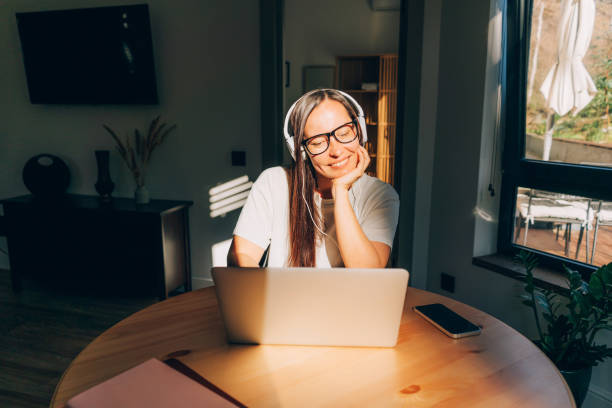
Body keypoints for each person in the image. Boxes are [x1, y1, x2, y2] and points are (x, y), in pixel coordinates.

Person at [227, 89, 399, 268]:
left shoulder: (381, 194)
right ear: (300, 151)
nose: (337, 151)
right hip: (283, 296)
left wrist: (340, 191)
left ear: (360, 129)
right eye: (317, 143)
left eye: (345, 133)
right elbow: (241, 255)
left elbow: (368, 273)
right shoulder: (274, 182)